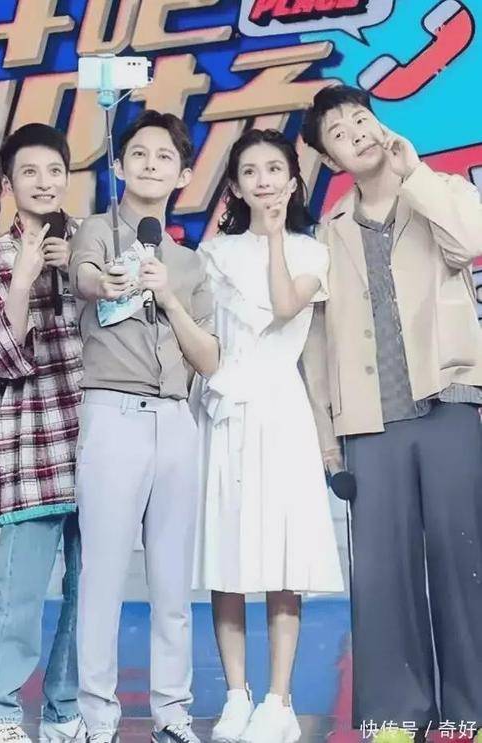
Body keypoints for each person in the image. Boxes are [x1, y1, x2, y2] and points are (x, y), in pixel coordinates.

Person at [300, 84, 482, 740]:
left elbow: (471, 240)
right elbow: (317, 340)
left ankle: (471, 713)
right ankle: (396, 713)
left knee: (464, 563)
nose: (356, 132)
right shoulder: (330, 230)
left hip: (448, 398)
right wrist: (327, 435)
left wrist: (416, 173)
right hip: (369, 419)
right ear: (330, 158)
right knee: (382, 573)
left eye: (360, 119)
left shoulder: (437, 190)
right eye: (339, 132)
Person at [69, 110, 219, 743]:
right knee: (102, 575)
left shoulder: (188, 263)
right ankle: (96, 716)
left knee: (171, 580)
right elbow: (84, 278)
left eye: (165, 157)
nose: (151, 164)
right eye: (140, 154)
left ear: (183, 175)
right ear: (119, 165)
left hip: (177, 420)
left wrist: (170, 297)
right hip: (113, 414)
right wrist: (109, 281)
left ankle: (172, 713)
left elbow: (209, 358)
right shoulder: (97, 231)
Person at [191, 128, 343, 743]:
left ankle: (279, 701)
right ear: (234, 185)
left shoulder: (311, 252)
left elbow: (283, 307)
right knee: (226, 559)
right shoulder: (213, 255)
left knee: (283, 558)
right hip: (225, 410)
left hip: (281, 411)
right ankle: (236, 695)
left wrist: (277, 236)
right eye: (250, 171)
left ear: (292, 181)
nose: (263, 180)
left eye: (274, 169)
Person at [0, 124, 86, 743]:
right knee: (20, 594)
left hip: (96, 442)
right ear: (9, 185)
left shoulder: (90, 245)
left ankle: (65, 712)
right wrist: (25, 281)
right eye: (30, 172)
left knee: (89, 593)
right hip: (32, 445)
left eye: (54, 171)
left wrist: (79, 272)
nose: (44, 183)